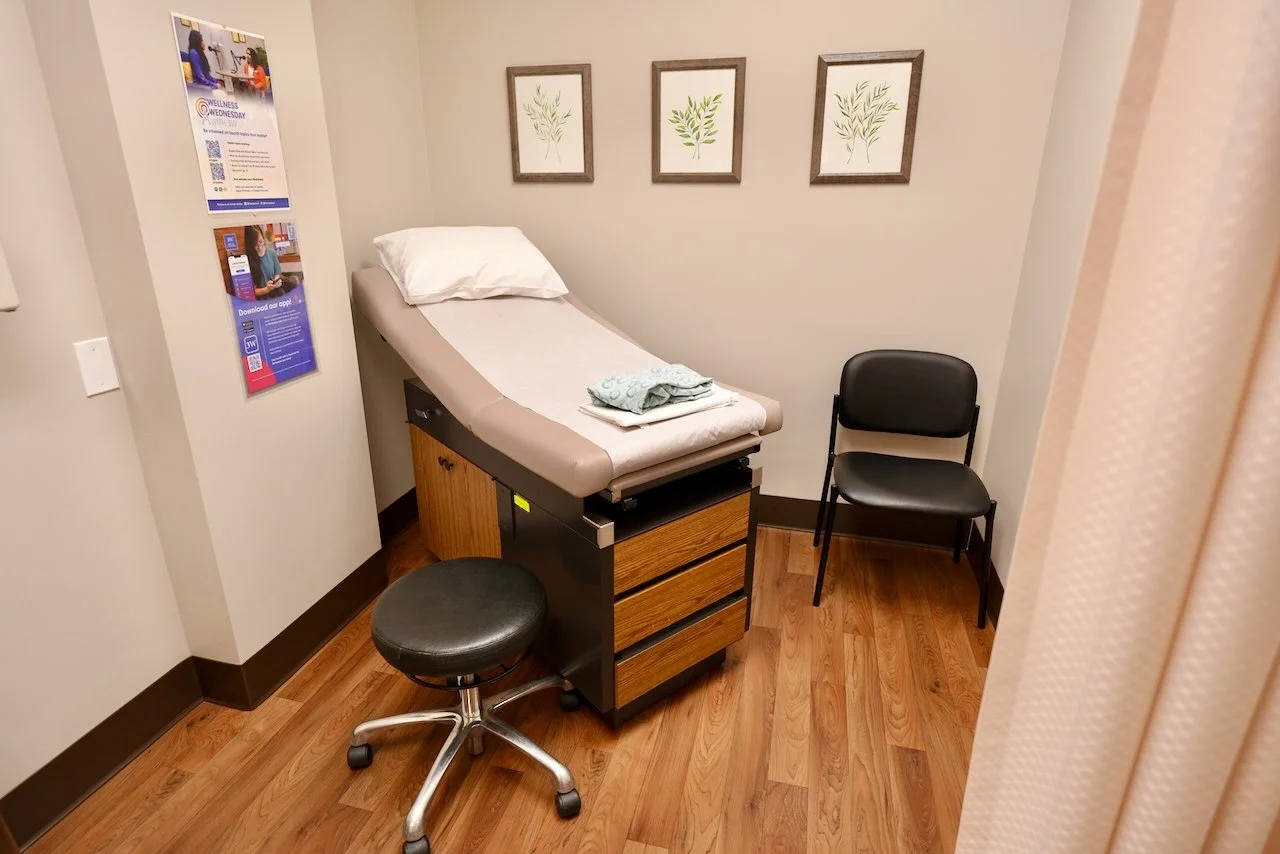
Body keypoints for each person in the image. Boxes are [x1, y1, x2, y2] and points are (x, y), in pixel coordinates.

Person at [245, 226, 299, 300]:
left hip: (276, 293)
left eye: (261, 242)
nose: (260, 247)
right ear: (250, 245)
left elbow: (277, 275)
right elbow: (252, 291)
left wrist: (276, 282)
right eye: (255, 245)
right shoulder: (247, 260)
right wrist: (267, 289)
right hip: (261, 300)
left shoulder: (271, 253)